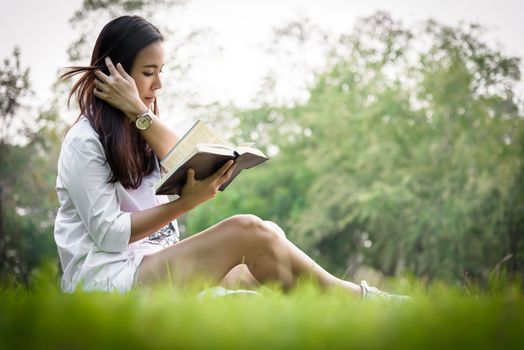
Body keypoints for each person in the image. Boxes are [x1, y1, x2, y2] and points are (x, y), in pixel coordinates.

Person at [55, 15, 408, 301]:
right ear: (114, 73)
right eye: (149, 73)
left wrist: (139, 113)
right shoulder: (84, 142)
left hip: (150, 265)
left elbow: (187, 157)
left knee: (271, 242)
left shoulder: (140, 130)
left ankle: (331, 322)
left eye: (162, 71)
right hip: (110, 284)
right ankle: (360, 302)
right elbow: (108, 236)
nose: (159, 84)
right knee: (247, 230)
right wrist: (183, 204)